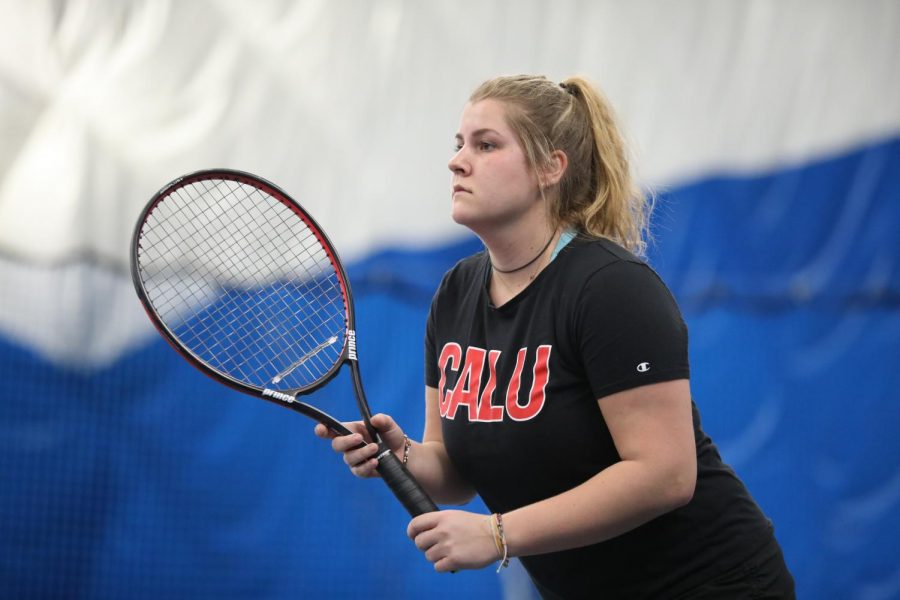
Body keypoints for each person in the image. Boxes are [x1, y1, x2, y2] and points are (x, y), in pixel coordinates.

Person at [315, 74, 795, 599]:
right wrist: (401, 455)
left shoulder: (610, 288)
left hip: (713, 585)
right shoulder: (455, 293)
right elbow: (454, 471)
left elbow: (665, 475)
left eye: (486, 145)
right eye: (458, 145)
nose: (457, 161)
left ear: (550, 168)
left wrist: (497, 535)